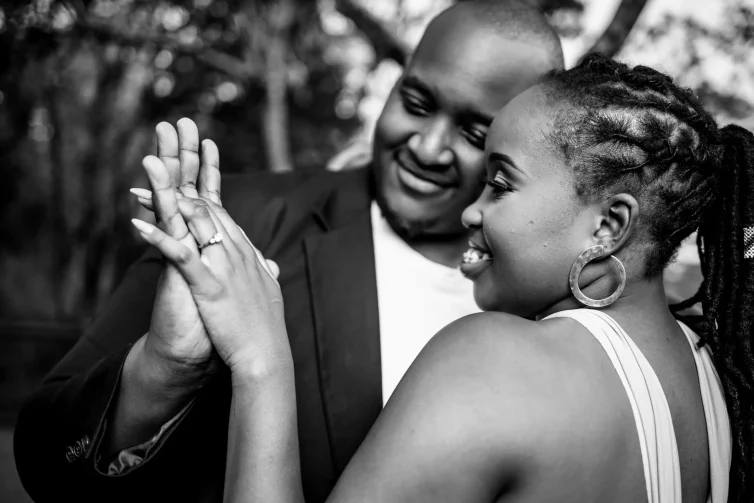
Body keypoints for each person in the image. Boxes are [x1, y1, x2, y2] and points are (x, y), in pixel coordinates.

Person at [136, 55, 753, 502]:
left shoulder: (497, 359)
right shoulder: (715, 373)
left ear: (608, 226)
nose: (470, 211)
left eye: (502, 184)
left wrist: (260, 356)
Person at [13, 2, 564, 502]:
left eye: (474, 133)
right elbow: (44, 459)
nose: (426, 147)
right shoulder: (235, 224)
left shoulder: (559, 306)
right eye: (417, 103)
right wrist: (165, 369)